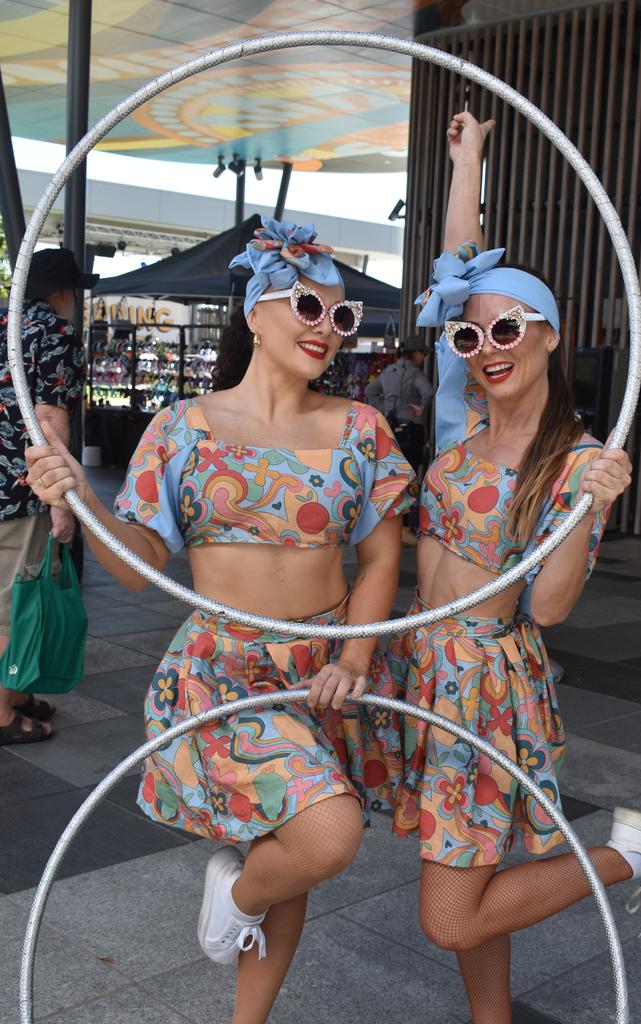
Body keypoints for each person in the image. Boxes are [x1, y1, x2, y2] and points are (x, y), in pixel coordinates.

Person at [26, 219, 415, 1024]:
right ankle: (235, 895)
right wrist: (81, 497)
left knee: (299, 853)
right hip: (220, 671)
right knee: (327, 834)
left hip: (320, 671)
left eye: (342, 318)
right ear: (256, 313)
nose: (328, 330)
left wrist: (359, 658)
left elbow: (380, 563)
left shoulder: (361, 429)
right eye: (310, 306)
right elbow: (137, 569)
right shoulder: (182, 428)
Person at [385, 113, 641, 1023]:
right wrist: (466, 163)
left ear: (550, 337)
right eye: (470, 338)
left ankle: (627, 857)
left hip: (488, 684)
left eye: (510, 330)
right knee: (475, 879)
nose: (487, 348)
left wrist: (592, 505)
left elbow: (556, 606)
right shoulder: (461, 425)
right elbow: (461, 275)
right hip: (425, 669)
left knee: (449, 915)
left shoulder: (575, 461)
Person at [0, 248, 95, 745]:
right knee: (13, 603)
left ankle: (14, 694)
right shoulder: (54, 332)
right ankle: (2, 715)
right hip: (20, 490)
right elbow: (51, 420)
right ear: (62, 293)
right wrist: (63, 503)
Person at [365, 334, 434, 541]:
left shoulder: (389, 371)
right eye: (422, 353)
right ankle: (409, 527)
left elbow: (370, 390)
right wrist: (420, 410)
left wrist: (382, 411)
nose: (424, 357)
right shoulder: (414, 373)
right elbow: (429, 392)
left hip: (391, 430)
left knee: (392, 477)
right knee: (411, 477)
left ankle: (392, 525)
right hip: (411, 431)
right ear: (414, 353)